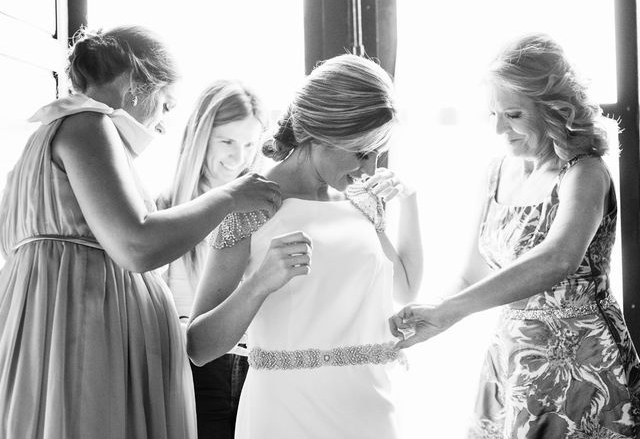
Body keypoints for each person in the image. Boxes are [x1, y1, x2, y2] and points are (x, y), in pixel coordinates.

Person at [0, 26, 281, 439]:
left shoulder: (47, 142)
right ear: (135, 84)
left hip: (67, 333)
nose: (163, 124)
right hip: (86, 339)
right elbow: (137, 245)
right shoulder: (88, 124)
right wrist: (230, 197)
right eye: (165, 105)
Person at [389, 33, 640, 438]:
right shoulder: (496, 173)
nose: (500, 129)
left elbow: (558, 260)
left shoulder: (584, 172)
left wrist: (454, 310)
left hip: (580, 365)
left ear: (554, 110)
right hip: (511, 360)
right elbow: (472, 274)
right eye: (493, 115)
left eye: (514, 115)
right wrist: (433, 311)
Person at [187, 54, 423, 438]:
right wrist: (259, 283)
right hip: (285, 415)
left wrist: (409, 198)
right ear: (318, 132)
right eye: (361, 152)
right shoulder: (248, 203)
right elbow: (200, 347)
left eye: (377, 153)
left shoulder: (361, 200)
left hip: (371, 413)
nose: (369, 167)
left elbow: (407, 288)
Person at [158, 80, 266, 438]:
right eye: (227, 141)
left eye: (250, 144)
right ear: (201, 136)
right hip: (189, 369)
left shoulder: (263, 208)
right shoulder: (163, 209)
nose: (239, 157)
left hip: (259, 367)